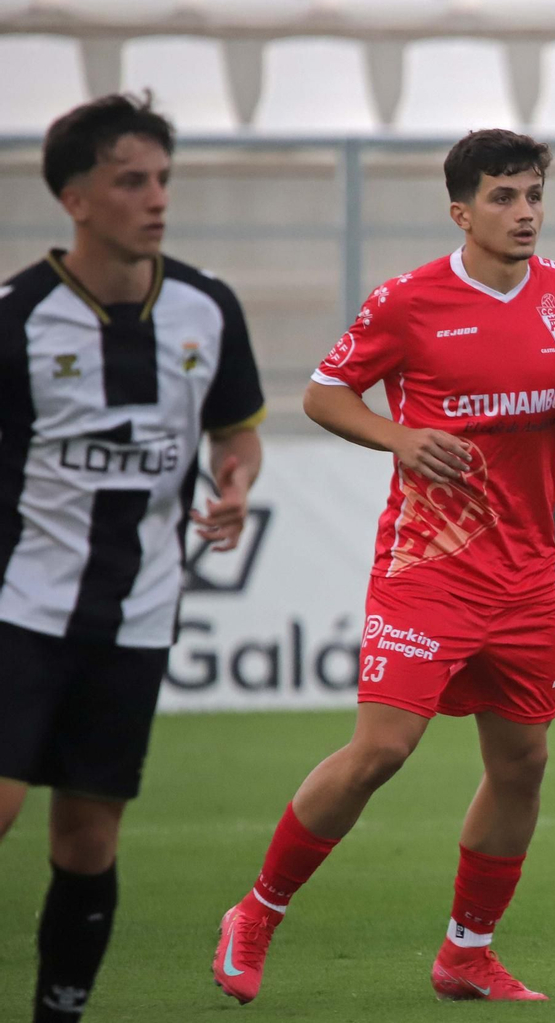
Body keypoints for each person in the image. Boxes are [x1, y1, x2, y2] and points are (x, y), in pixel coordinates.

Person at [210, 128, 555, 1006]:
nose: (525, 213)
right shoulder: (409, 301)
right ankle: (256, 911)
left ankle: (467, 953)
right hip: (428, 567)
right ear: (461, 213)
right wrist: (398, 437)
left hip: (526, 576)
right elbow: (323, 393)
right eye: (504, 197)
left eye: (534, 195)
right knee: (381, 751)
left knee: (522, 764)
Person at [0, 93, 266, 1023]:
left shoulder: (207, 307)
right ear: (74, 199)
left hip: (139, 615)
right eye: (131, 182)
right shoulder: (18, 318)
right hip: (19, 606)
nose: (156, 199)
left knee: (86, 839)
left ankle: (58, 1013)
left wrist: (235, 482)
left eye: (162, 179)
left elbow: (236, 431)